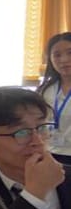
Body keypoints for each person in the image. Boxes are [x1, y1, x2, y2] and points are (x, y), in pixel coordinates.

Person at [36, 32, 71, 164]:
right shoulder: (45, 90)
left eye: (70, 53)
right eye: (57, 55)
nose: (64, 60)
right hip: (49, 152)